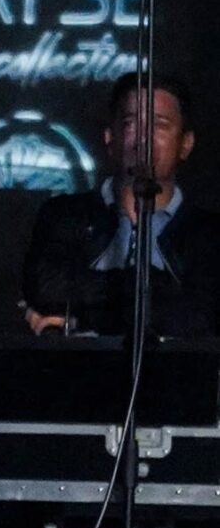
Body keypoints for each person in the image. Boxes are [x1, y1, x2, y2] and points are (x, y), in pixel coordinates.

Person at [22, 72, 220, 338]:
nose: (144, 139)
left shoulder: (209, 234)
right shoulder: (64, 215)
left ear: (186, 143)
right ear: (109, 137)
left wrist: (79, 319)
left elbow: (201, 316)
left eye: (160, 125)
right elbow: (46, 288)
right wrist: (146, 286)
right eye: (130, 124)